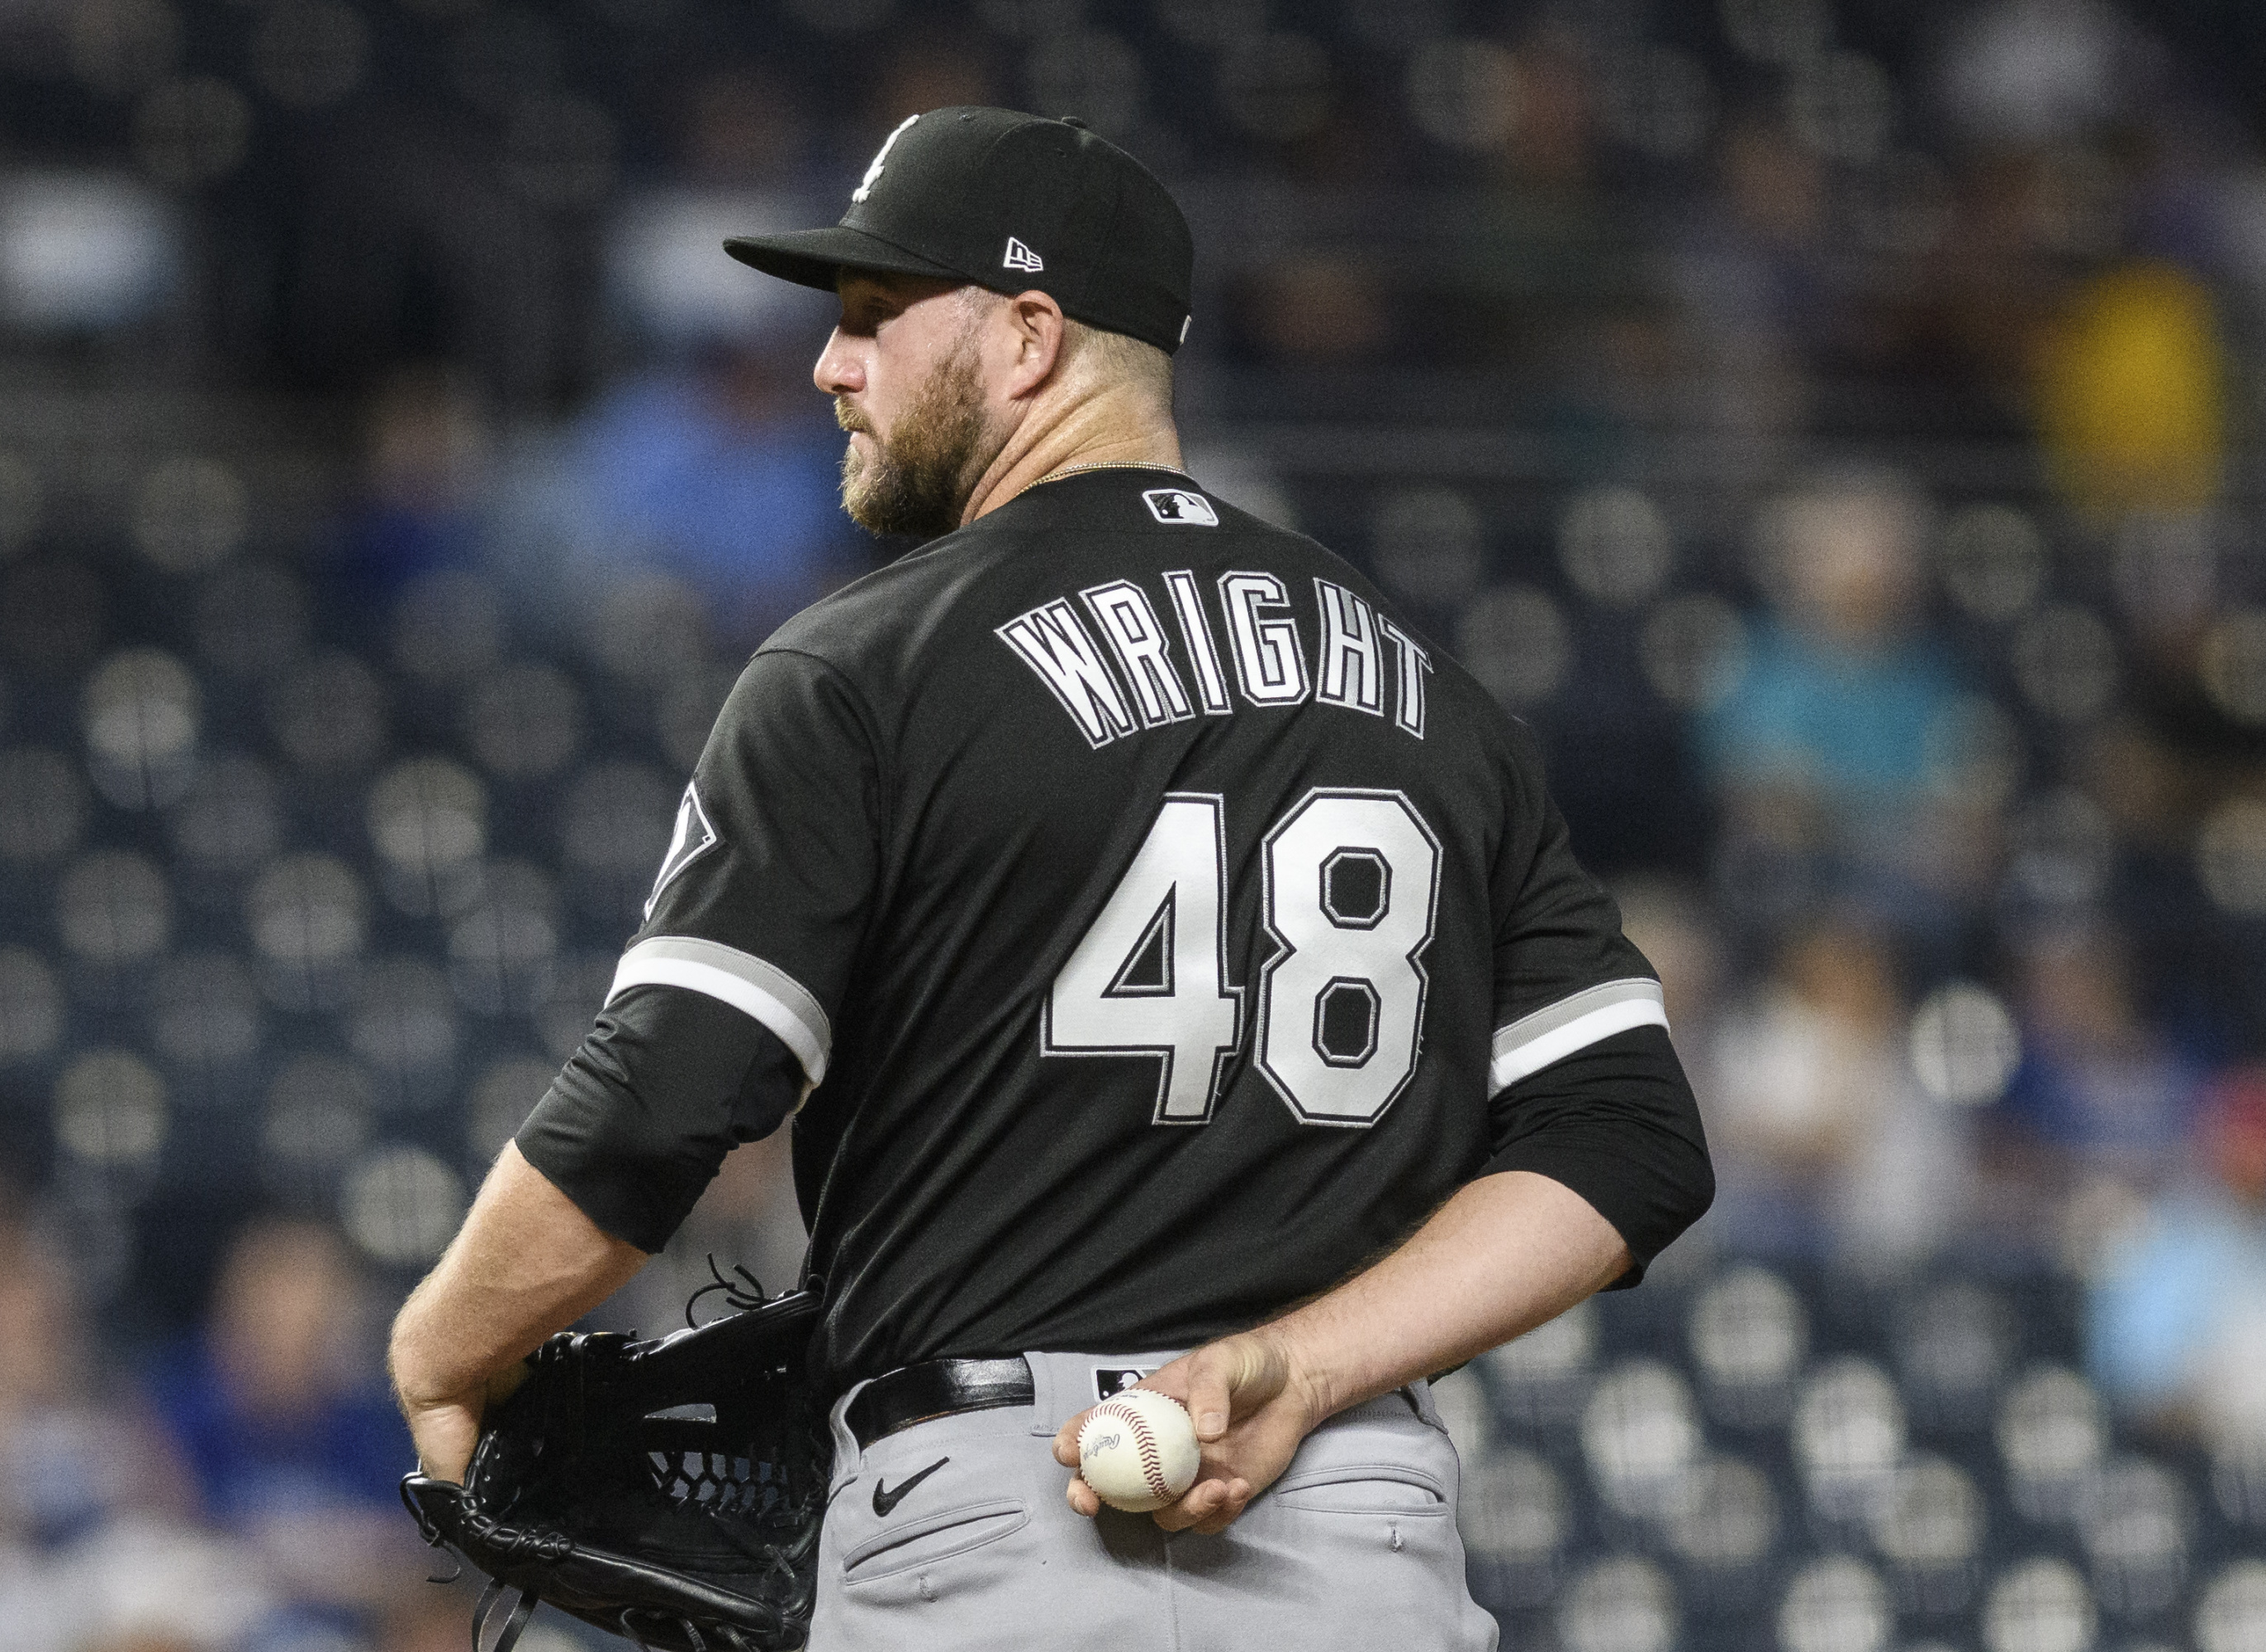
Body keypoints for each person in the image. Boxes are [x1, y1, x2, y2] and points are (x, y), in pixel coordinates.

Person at [388, 106, 1712, 1648]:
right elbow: (1631, 1141)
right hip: (1363, 1531)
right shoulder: (1426, 688)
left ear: (1028, 336)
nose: (832, 364)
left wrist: (443, 1344)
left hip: (997, 1527)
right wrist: (1308, 1368)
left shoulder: (865, 664)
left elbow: (664, 1100)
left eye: (879, 316)